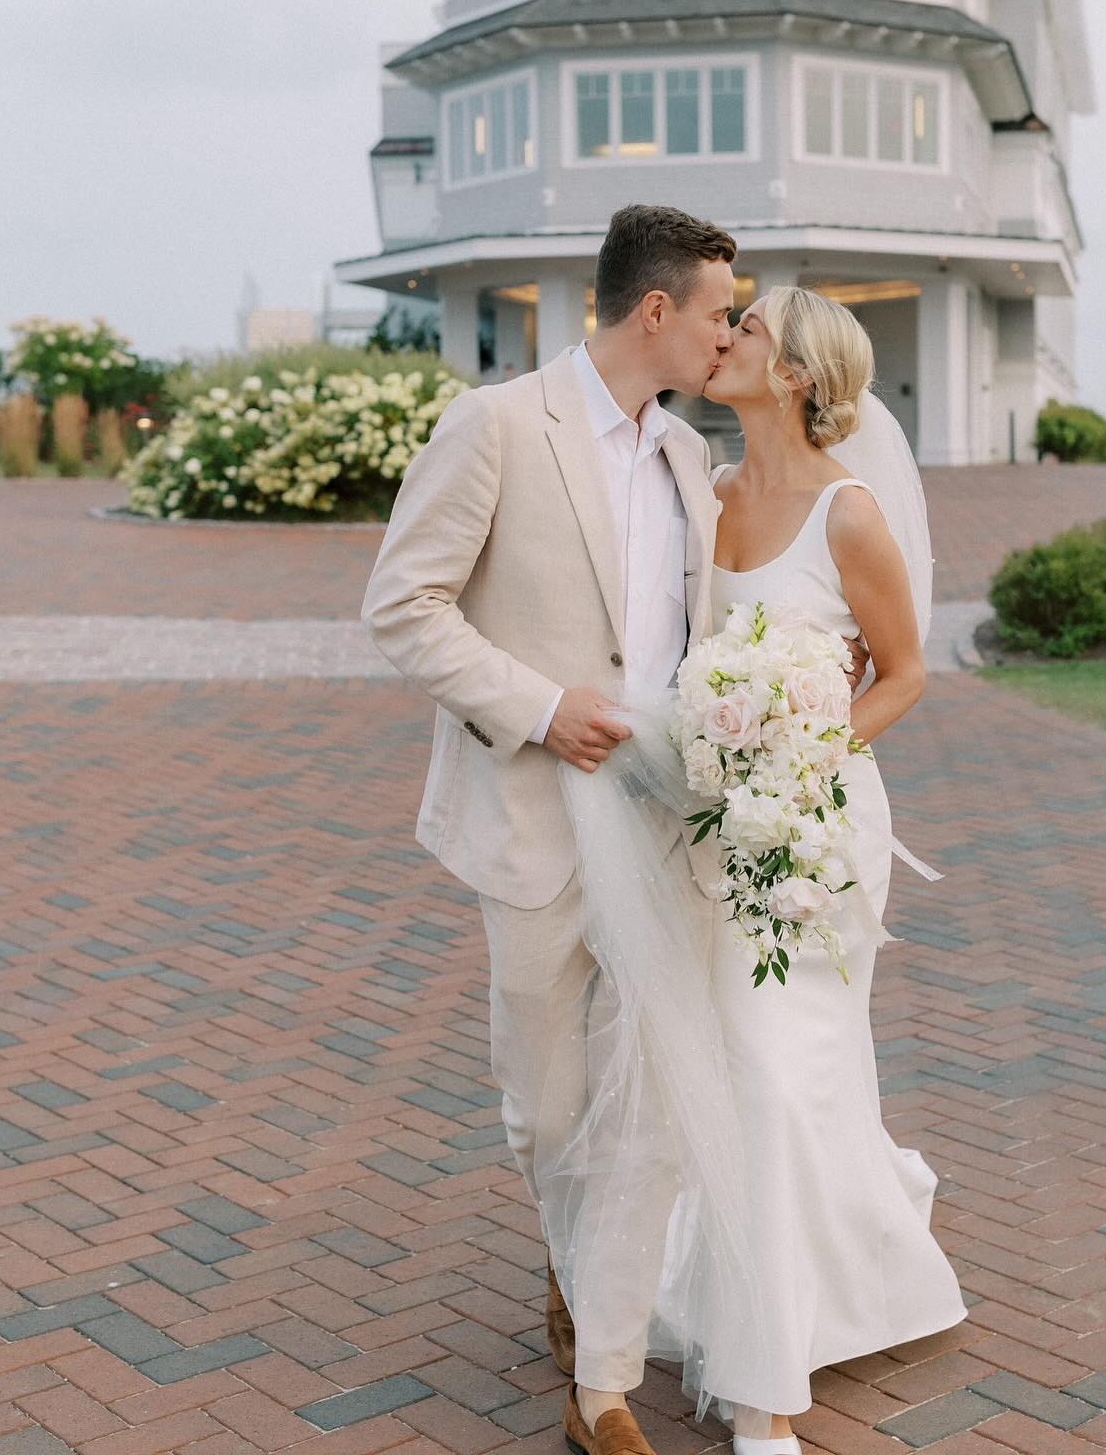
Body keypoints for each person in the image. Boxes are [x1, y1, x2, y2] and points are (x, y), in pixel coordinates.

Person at [542, 285, 967, 1455]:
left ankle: (769, 1389)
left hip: (816, 833)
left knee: (783, 1079)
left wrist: (799, 757)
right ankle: (807, 1269)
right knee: (731, 1084)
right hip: (710, 828)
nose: (724, 340)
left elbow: (904, 672)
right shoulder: (701, 491)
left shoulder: (851, 514)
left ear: (796, 375)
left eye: (750, 332)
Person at [361, 204, 741, 1455]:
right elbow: (403, 606)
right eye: (720, 313)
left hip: (664, 824)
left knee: (653, 1103)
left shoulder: (690, 459)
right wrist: (538, 706)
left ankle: (606, 1380)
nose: (728, 336)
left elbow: (692, 637)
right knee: (548, 1108)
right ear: (656, 312)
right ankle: (572, 1264)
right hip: (535, 813)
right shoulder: (495, 426)